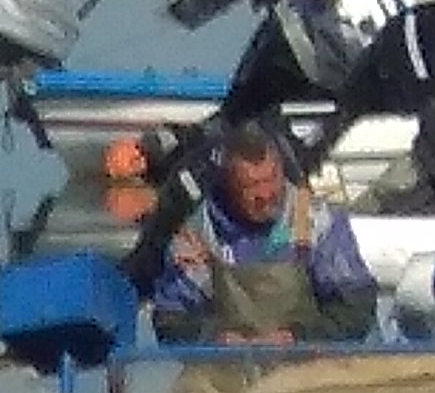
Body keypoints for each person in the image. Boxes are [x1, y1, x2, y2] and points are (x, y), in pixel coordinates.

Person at [152, 122, 375, 342]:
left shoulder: (316, 221)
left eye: (271, 179)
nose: (265, 194)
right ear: (229, 182)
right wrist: (216, 339)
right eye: (251, 185)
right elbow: (171, 320)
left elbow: (356, 309)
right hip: (226, 365)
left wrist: (298, 337)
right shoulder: (200, 231)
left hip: (309, 364)